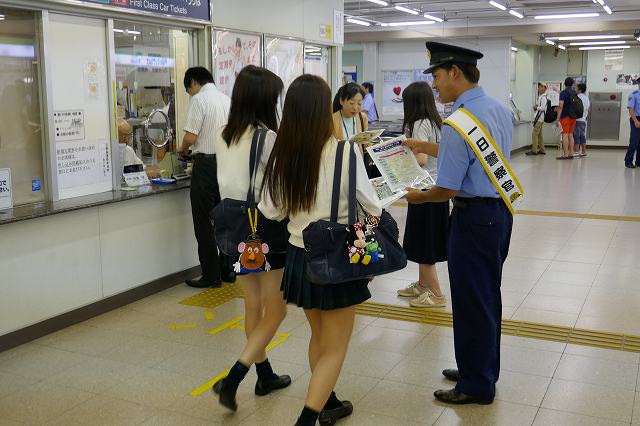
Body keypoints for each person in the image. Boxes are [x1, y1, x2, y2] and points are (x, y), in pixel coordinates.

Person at [260, 74, 383, 426]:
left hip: (300, 257)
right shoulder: (344, 152)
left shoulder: (284, 156)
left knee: (319, 335)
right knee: (337, 345)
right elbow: (373, 209)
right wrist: (365, 243)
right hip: (338, 257)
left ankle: (327, 402)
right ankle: (306, 419)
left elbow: (271, 210)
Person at [404, 41, 517, 405]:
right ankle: (480, 367)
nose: (434, 85)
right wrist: (424, 144)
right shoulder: (495, 109)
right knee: (487, 296)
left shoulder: (457, 121)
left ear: (455, 72)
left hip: (472, 219)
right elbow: (474, 153)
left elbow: (447, 187)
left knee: (471, 300)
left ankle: (476, 385)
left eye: (436, 75)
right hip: (497, 214)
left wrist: (415, 196)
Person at [210, 65, 291, 411]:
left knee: (252, 305)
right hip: (264, 228)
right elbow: (279, 191)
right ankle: (235, 376)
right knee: (276, 310)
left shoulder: (223, 133)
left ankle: (265, 373)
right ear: (263, 99)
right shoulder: (267, 137)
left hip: (234, 227)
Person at [177, 67, 234, 288]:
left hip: (207, 166)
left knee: (204, 222)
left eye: (188, 90)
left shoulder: (199, 100)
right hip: (226, 163)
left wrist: (182, 149)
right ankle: (228, 271)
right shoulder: (226, 100)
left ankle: (211, 275)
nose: (190, 94)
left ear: (193, 82)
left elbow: (190, 137)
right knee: (224, 220)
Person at [395, 82, 449, 308]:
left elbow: (421, 159)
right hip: (437, 188)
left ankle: (435, 293)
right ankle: (422, 285)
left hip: (424, 188)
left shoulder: (417, 123)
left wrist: (395, 158)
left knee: (424, 241)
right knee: (424, 239)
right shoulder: (436, 121)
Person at [555, 77, 577, 160]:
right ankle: (571, 153)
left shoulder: (563, 93)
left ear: (564, 83)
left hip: (565, 117)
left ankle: (565, 154)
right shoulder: (574, 92)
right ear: (572, 84)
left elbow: (560, 106)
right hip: (573, 117)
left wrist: (557, 119)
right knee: (571, 135)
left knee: (564, 135)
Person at [526, 83, 547, 155]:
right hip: (540, 118)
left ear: (544, 88)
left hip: (539, 119)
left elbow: (543, 108)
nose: (539, 88)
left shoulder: (543, 97)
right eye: (539, 87)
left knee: (534, 134)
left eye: (541, 87)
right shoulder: (541, 97)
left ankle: (534, 150)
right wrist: (537, 106)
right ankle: (542, 149)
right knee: (539, 135)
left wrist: (536, 107)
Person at [624, 81, 640, 169]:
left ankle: (638, 161)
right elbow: (631, 108)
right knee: (634, 141)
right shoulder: (634, 94)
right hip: (636, 118)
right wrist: (635, 120)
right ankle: (628, 161)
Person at [574, 83, 590, 157]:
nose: (575, 89)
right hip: (583, 120)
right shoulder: (586, 98)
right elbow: (587, 109)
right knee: (582, 136)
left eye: (576, 88)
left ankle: (576, 152)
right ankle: (584, 152)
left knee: (576, 136)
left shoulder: (577, 97)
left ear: (579, 90)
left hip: (577, 119)